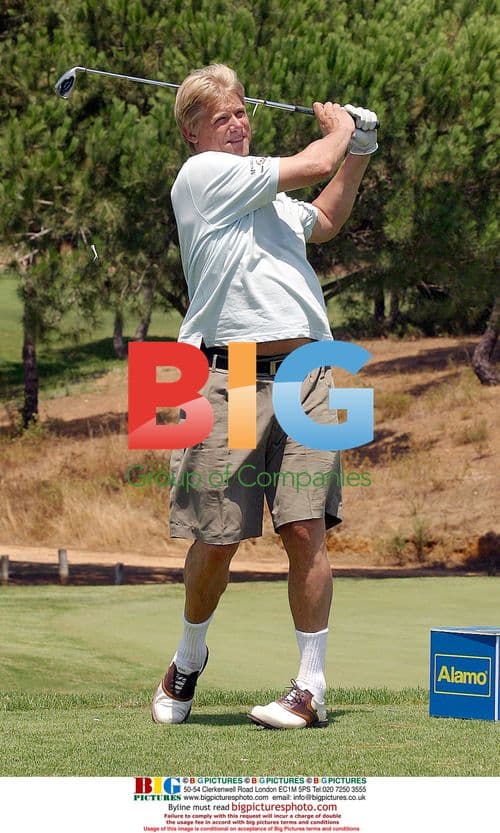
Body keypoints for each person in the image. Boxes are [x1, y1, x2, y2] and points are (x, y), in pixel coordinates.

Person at [151, 64, 378, 729]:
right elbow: (311, 161)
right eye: (224, 116)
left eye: (243, 111)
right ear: (193, 133)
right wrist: (338, 132)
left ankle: (310, 690)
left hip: (311, 365)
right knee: (217, 537)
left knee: (306, 526)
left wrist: (357, 153)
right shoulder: (200, 179)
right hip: (227, 371)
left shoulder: (267, 198)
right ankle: (189, 656)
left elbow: (327, 216)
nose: (241, 123)